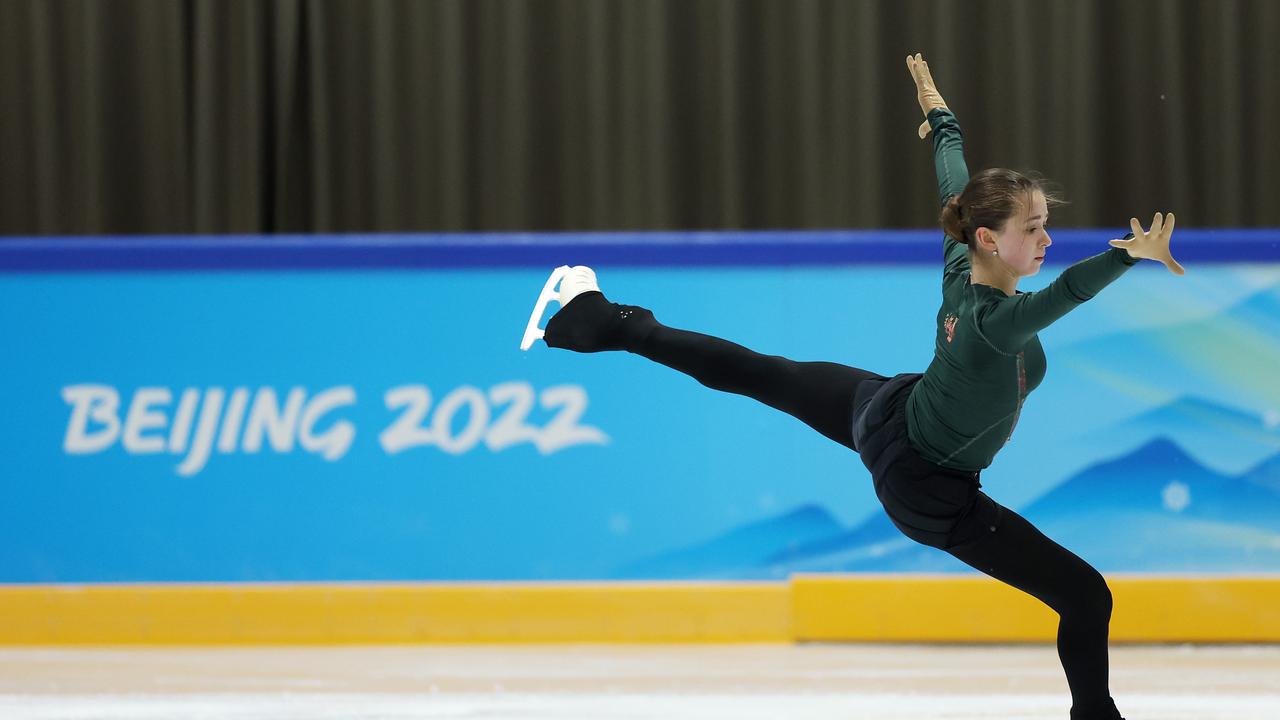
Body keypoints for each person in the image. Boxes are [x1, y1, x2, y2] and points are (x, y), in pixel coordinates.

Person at [524, 52, 1184, 720]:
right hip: (929, 487)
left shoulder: (963, 265)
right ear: (989, 237)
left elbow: (954, 183)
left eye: (1046, 224)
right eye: (1033, 228)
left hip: (888, 412)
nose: (1046, 239)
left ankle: (610, 325)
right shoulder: (996, 321)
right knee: (1087, 596)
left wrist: (941, 118)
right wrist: (1125, 256)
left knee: (763, 374)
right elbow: (1067, 292)